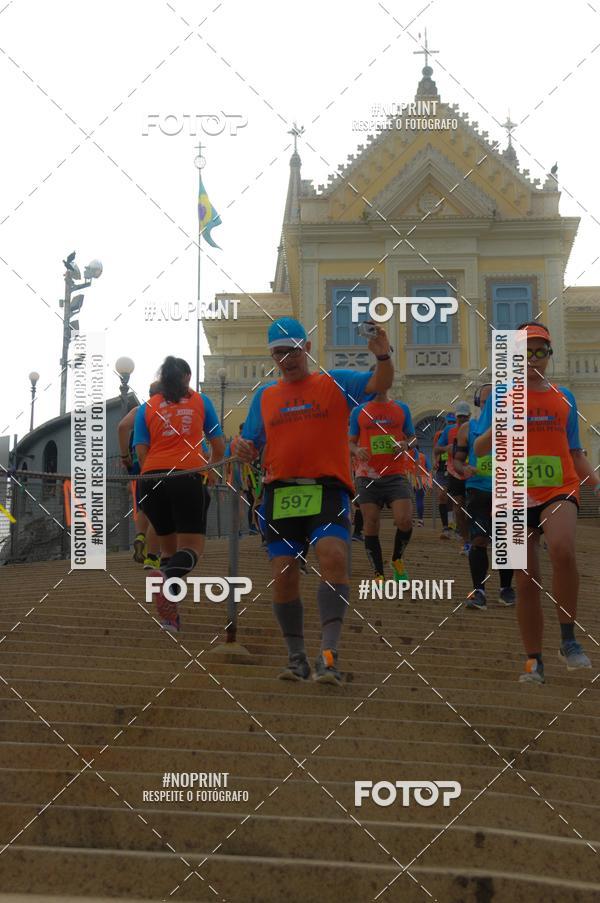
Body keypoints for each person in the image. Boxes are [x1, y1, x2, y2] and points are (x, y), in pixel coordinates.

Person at [234, 316, 393, 685]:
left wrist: (383, 356)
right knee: (283, 574)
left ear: (306, 348)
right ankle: (296, 658)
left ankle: (328, 657)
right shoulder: (266, 396)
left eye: (292, 351)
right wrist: (240, 447)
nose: (286, 359)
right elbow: (250, 444)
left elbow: (379, 383)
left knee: (334, 557)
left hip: (327, 490)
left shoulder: (335, 382)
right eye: (278, 353)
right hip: (280, 492)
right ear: (272, 356)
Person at [474, 323, 600, 683]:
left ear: (549, 354)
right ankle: (533, 660)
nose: (533, 358)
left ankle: (568, 640)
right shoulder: (500, 395)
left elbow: (575, 451)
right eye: (525, 351)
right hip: (512, 492)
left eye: (540, 351)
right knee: (526, 578)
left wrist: (596, 482)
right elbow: (480, 449)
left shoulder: (565, 397)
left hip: (559, 487)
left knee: (562, 549)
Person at [133, 357, 225, 632]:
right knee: (192, 548)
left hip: (150, 480)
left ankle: (169, 618)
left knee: (169, 548)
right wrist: (210, 475)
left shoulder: (147, 407)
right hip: (186, 476)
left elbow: (141, 451)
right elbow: (218, 445)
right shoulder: (200, 401)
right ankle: (167, 579)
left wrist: (155, 471)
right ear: (187, 376)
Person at [453, 383, 516, 610]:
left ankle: (506, 588)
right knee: (479, 539)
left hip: (507, 489)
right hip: (478, 488)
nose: (492, 399)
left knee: (505, 541)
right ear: (479, 401)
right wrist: (464, 469)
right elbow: (457, 460)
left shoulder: (514, 426)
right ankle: (478, 590)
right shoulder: (468, 428)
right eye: (487, 396)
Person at [348, 391, 415, 582]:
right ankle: (378, 572)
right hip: (367, 475)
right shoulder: (358, 412)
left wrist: (405, 444)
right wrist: (356, 450)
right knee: (371, 523)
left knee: (405, 520)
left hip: (395, 474)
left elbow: (413, 438)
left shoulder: (401, 408)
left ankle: (397, 559)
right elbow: (350, 442)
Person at [118, 381, 162, 567]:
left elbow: (122, 427)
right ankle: (153, 555)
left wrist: (125, 455)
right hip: (157, 464)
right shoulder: (164, 412)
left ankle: (140, 536)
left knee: (142, 505)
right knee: (159, 511)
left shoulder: (139, 410)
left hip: (137, 464)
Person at [435, 403, 471, 553]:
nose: (461, 419)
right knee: (458, 507)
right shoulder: (449, 431)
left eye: (464, 416)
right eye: (459, 416)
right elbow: (437, 448)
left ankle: (478, 536)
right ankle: (466, 541)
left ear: (469, 416)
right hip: (454, 473)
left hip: (471, 473)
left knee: (473, 507)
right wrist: (445, 448)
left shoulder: (474, 428)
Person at [433, 414, 456, 538]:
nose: (451, 424)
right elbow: (436, 448)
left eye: (453, 422)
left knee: (454, 497)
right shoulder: (439, 434)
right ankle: (445, 526)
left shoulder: (460, 433)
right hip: (442, 468)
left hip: (456, 467)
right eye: (450, 422)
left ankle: (452, 522)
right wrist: (435, 460)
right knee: (442, 496)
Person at [408, 444, 430, 527]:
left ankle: (411, 520)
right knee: (419, 499)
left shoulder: (407, 456)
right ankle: (420, 520)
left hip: (410, 478)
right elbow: (428, 468)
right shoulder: (424, 456)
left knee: (410, 500)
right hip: (421, 479)